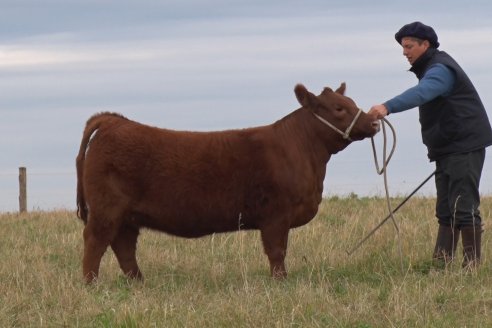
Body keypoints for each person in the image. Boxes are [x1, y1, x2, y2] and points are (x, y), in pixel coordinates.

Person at [369, 21, 492, 269]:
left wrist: (387, 107)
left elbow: (422, 93)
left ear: (426, 45)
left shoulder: (440, 70)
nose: (405, 52)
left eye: (409, 46)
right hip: (448, 149)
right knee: (446, 209)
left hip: (463, 147)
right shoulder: (431, 68)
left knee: (463, 207)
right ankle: (441, 265)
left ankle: (472, 269)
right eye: (403, 47)